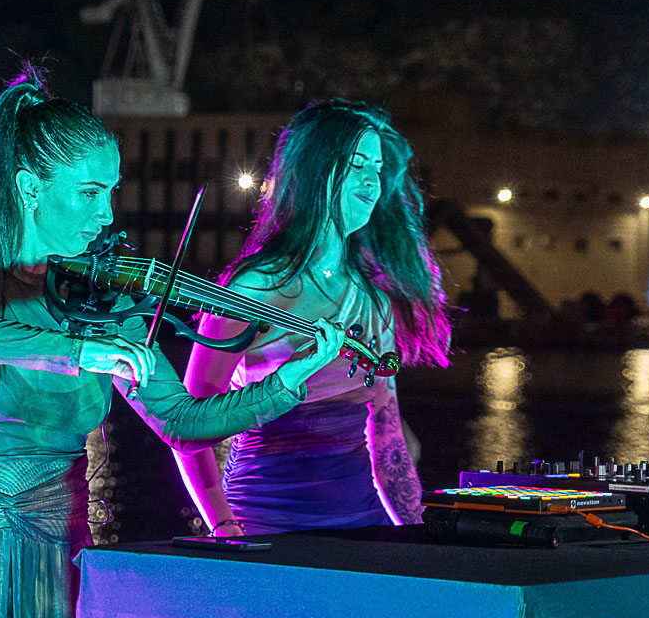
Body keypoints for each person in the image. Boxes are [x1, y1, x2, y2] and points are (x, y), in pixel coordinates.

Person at [0, 69, 344, 618]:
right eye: (90, 193)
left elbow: (181, 422)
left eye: (112, 192)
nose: (107, 215)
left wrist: (289, 380)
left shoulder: (98, 297)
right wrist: (75, 352)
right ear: (30, 187)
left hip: (61, 547)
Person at [173, 98, 451, 536]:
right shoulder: (253, 289)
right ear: (317, 171)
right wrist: (222, 524)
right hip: (263, 523)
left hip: (363, 526)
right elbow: (187, 425)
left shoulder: (375, 300)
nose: (372, 180)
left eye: (378, 168)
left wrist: (415, 533)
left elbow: (388, 439)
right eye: (357, 164)